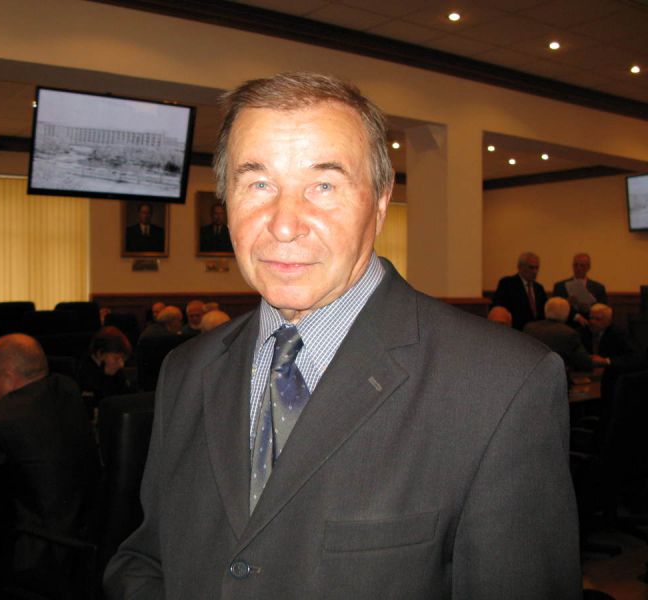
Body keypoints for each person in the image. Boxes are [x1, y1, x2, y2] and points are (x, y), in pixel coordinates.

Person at [105, 72, 579, 598]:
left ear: (379, 202)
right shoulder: (187, 369)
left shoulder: (501, 385)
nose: (284, 224)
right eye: (258, 184)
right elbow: (147, 557)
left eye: (324, 185)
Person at [0, 333, 100, 598]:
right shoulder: (67, 389)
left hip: (37, 552)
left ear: (9, 375)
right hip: (90, 537)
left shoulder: (2, 417)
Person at [524, 297, 606, 372]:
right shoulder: (569, 333)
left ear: (545, 310)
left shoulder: (529, 328)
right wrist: (604, 361)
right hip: (556, 376)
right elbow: (584, 363)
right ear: (567, 313)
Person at [76, 325, 134, 413]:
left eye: (123, 359)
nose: (121, 364)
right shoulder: (84, 376)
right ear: (100, 354)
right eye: (116, 358)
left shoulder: (116, 373)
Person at [491, 251, 548, 331]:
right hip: (515, 330)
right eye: (531, 267)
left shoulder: (539, 288)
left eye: (537, 268)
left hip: (536, 332)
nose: (535, 271)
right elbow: (500, 308)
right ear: (520, 267)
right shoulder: (507, 284)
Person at [582, 303, 645, 369]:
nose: (592, 322)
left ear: (608, 322)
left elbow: (636, 357)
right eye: (591, 318)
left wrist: (606, 361)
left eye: (598, 319)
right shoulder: (584, 332)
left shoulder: (618, 334)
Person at [552, 253, 607, 324]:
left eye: (582, 266)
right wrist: (567, 303)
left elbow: (603, 309)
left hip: (590, 323)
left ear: (588, 267)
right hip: (567, 323)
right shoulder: (560, 286)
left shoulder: (598, 287)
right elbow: (555, 309)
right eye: (576, 265)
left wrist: (590, 308)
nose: (578, 268)